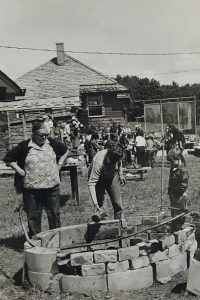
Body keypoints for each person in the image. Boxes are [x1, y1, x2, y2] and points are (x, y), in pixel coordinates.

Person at [3, 121, 69, 237]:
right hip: (32, 189)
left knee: (54, 214)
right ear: (34, 134)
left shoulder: (52, 144)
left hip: (52, 186)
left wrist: (59, 165)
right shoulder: (24, 146)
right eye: (41, 135)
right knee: (33, 216)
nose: (44, 137)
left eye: (46, 134)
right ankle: (36, 241)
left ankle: (55, 239)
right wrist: (19, 170)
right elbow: (8, 158)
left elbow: (65, 150)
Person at [88, 141, 126, 221]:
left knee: (118, 203)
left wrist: (120, 173)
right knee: (101, 207)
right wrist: (95, 204)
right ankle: (106, 229)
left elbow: (120, 161)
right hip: (98, 180)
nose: (112, 163)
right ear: (108, 153)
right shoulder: (98, 162)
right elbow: (91, 184)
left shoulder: (117, 153)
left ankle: (119, 226)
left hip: (112, 177)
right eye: (111, 161)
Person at [167, 148, 189, 232]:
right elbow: (170, 182)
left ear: (178, 159)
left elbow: (183, 185)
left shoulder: (183, 170)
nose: (170, 164)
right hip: (173, 196)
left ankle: (180, 231)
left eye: (172, 161)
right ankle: (175, 230)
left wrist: (176, 194)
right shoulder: (173, 170)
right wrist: (170, 193)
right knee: (174, 214)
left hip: (180, 196)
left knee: (180, 214)